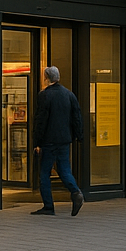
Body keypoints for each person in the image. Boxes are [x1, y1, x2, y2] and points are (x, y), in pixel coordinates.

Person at [31, 65, 84, 217]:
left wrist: (37, 142)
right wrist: (78, 136)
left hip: (48, 141)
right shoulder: (69, 94)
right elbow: (77, 117)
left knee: (44, 173)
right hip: (64, 140)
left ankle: (48, 206)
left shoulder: (44, 95)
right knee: (64, 170)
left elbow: (41, 120)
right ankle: (76, 192)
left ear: (46, 78)